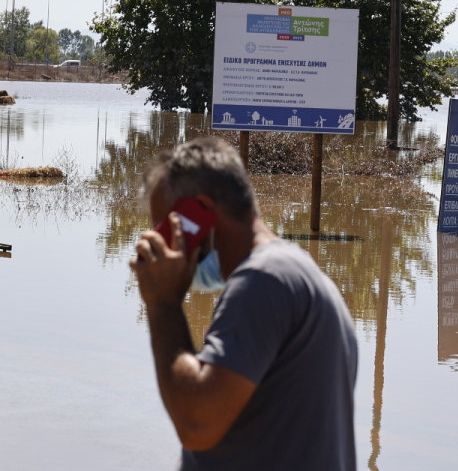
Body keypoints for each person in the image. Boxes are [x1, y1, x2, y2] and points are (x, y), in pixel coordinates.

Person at [130, 137, 357, 470]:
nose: (163, 245)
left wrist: (162, 302)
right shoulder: (300, 275)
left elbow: (197, 424)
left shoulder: (265, 279)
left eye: (166, 229)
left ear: (200, 214)